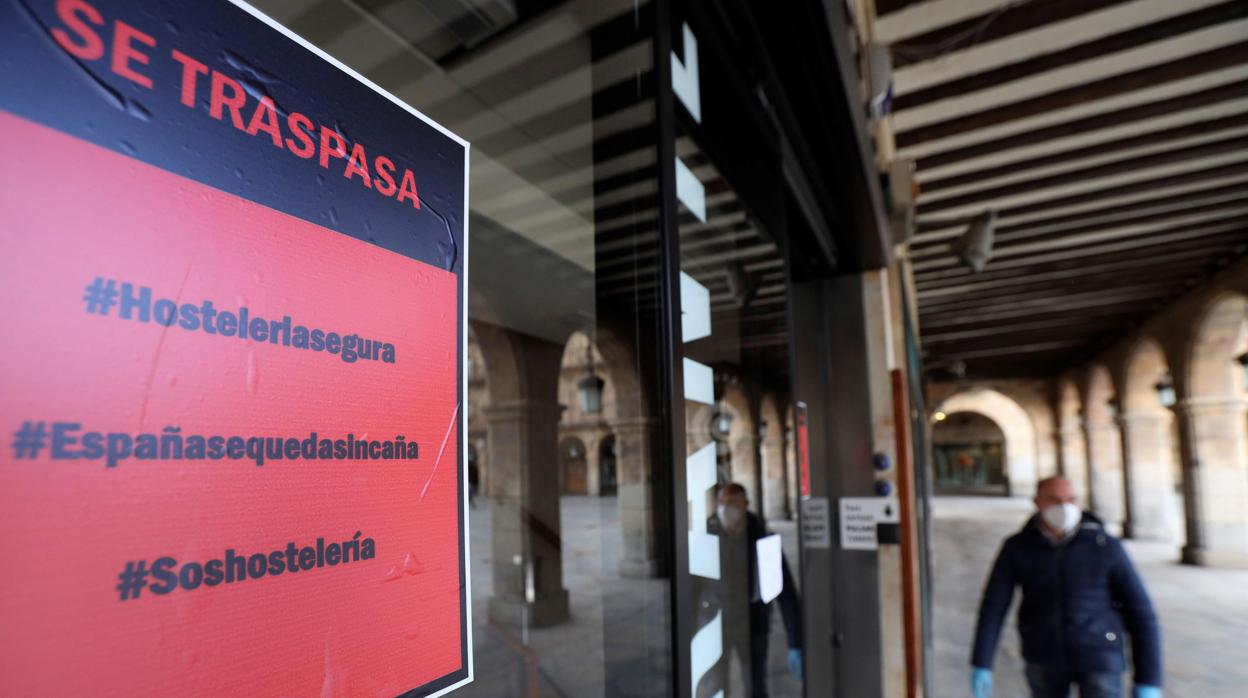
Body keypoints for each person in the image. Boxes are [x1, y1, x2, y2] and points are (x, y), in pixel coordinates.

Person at [970, 476, 1162, 698]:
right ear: (1037, 502)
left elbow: (1141, 612)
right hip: (1043, 655)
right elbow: (994, 605)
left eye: (1071, 499)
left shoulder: (1105, 546)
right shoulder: (1017, 547)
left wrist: (1148, 679)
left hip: (1101, 654)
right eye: (1054, 499)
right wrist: (981, 661)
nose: (1064, 507)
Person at [705, 482, 802, 697]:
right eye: (721, 502)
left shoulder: (762, 537)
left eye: (731, 503)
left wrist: (795, 641)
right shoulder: (707, 536)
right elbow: (694, 587)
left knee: (755, 682)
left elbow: (786, 592)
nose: (725, 508)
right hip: (717, 621)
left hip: (753, 622)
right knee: (714, 683)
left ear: (745, 505)